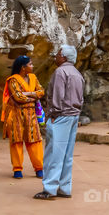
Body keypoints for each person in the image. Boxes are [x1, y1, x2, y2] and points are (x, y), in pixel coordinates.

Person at [35, 46, 85, 200]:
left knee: (53, 154)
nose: (55, 57)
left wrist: (53, 114)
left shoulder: (60, 72)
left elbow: (57, 96)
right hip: (73, 115)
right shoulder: (77, 74)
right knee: (67, 154)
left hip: (61, 115)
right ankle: (65, 187)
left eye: (57, 54)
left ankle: (49, 189)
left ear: (63, 57)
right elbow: (81, 98)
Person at [1, 55, 45, 179]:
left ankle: (39, 168)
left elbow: (41, 91)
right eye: (30, 64)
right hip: (16, 115)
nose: (32, 66)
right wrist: (33, 97)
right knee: (17, 141)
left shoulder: (33, 77)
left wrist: (29, 94)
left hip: (31, 115)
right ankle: (17, 169)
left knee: (35, 141)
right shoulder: (13, 80)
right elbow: (18, 97)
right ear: (23, 67)